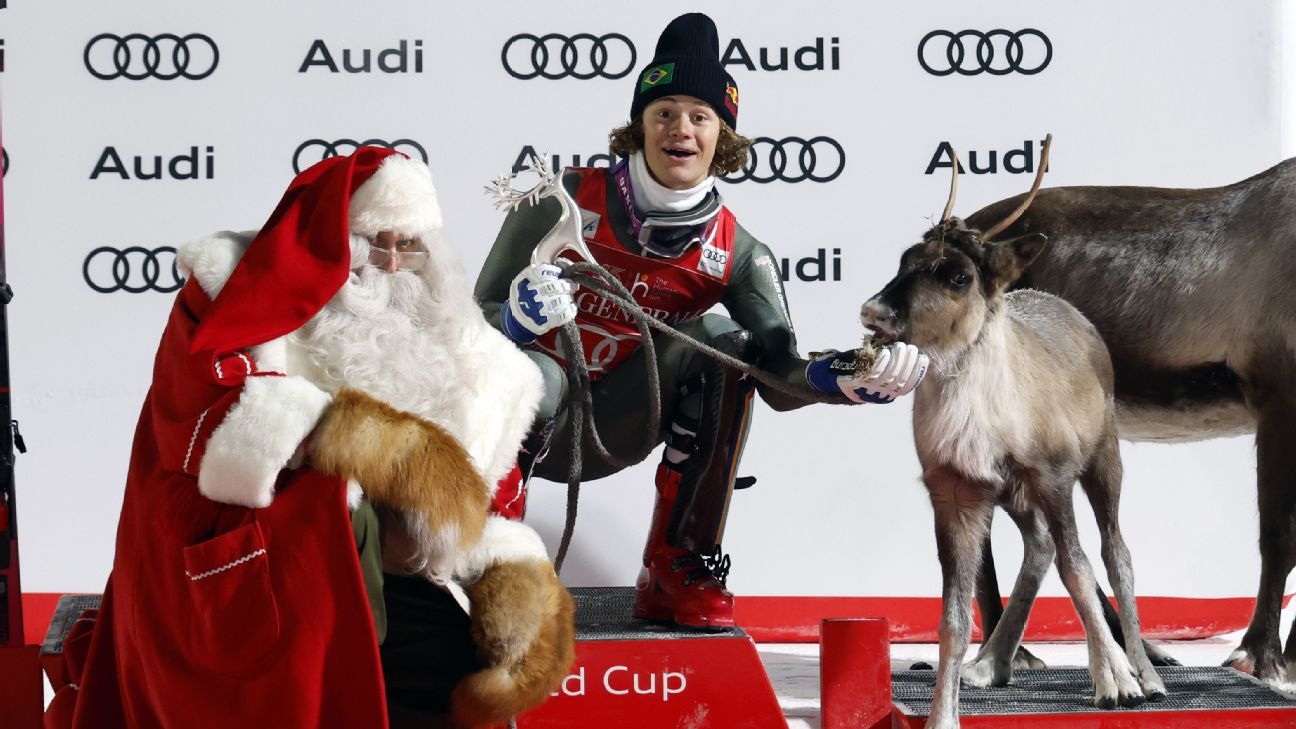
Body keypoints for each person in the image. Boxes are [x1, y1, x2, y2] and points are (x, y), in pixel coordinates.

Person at [47, 148, 574, 729]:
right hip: (266, 561)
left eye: (410, 245)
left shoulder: (471, 355)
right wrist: (381, 446)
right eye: (375, 241)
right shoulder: (230, 296)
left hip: (398, 575)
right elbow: (201, 434)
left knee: (452, 660)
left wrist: (509, 574)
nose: (392, 264)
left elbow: (483, 499)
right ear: (329, 242)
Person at [475, 12, 929, 630]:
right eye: (664, 112)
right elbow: (471, 324)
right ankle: (487, 559)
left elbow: (774, 369)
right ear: (639, 126)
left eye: (699, 116)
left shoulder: (739, 253)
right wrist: (514, 322)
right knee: (535, 371)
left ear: (723, 137)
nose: (679, 129)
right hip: (529, 412)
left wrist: (841, 379)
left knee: (723, 341)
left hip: (621, 422)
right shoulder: (559, 201)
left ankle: (676, 565)